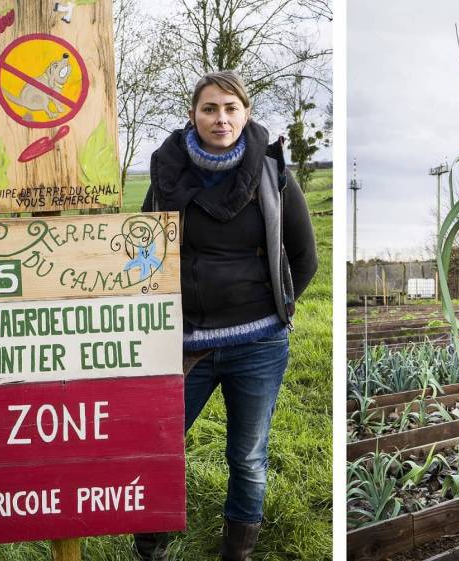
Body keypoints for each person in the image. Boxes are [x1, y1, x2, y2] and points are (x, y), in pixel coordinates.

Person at [134, 71, 318, 561]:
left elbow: (304, 257)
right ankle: (149, 541)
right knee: (159, 441)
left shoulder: (272, 172)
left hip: (258, 345)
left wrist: (276, 310)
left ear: (246, 113)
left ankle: (236, 551)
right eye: (210, 108)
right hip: (185, 340)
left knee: (248, 455)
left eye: (231, 108)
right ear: (194, 115)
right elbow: (145, 253)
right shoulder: (168, 172)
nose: (221, 119)